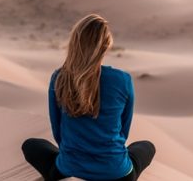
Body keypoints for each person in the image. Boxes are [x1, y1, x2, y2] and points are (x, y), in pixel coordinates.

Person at [22, 14, 156, 181]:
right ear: (106, 45)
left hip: (67, 170)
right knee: (146, 147)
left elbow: (58, 132)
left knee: (31, 145)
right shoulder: (122, 80)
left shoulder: (60, 78)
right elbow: (124, 131)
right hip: (117, 174)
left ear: (74, 43)